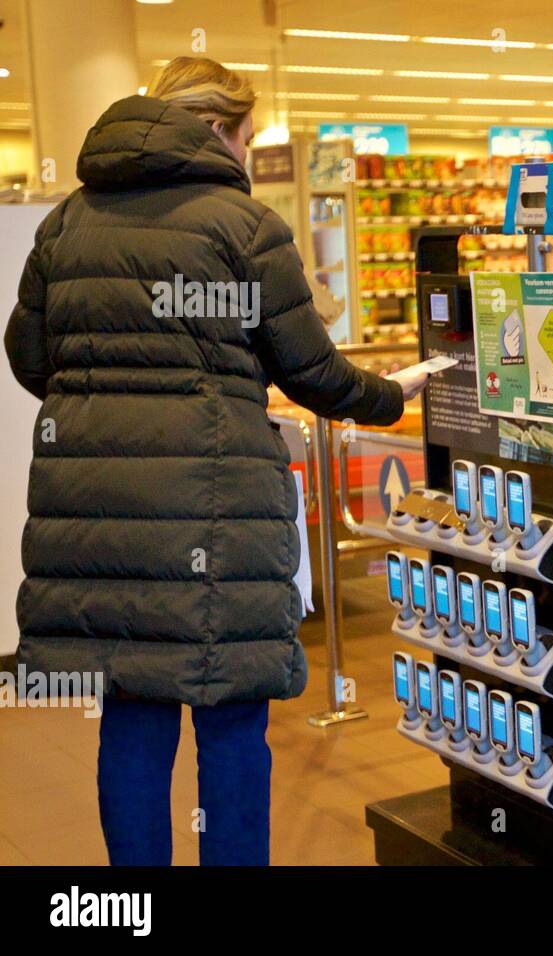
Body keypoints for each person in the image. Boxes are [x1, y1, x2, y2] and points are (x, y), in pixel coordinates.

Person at [4, 57, 433, 866]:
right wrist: (390, 393)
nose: (245, 154)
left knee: (132, 713)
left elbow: (29, 357)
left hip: (101, 516)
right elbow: (311, 373)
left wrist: (105, 404)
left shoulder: (66, 223)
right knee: (232, 717)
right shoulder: (244, 226)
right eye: (245, 137)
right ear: (216, 129)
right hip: (218, 510)